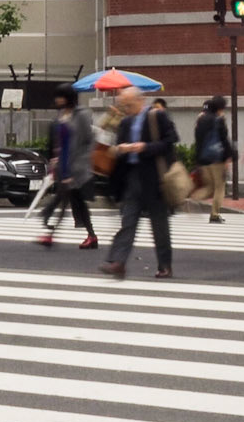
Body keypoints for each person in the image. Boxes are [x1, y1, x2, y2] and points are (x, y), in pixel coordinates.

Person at [100, 86, 178, 280]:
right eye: (123, 105)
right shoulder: (125, 122)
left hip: (154, 178)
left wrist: (145, 147)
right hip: (132, 178)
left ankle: (164, 265)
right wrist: (119, 150)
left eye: (128, 104)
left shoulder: (156, 116)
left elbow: (171, 140)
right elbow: (118, 145)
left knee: (159, 225)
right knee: (128, 221)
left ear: (139, 101)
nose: (125, 108)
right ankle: (118, 262)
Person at [37, 85, 97, 247]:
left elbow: (88, 142)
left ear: (69, 97)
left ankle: (50, 232)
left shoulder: (82, 115)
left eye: (61, 96)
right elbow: (58, 142)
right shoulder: (60, 116)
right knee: (76, 202)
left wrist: (77, 167)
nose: (57, 100)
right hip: (62, 163)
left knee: (64, 199)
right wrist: (54, 160)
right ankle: (91, 236)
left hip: (76, 166)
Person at [190, 94, 232, 220]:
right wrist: (228, 156)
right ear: (221, 108)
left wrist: (198, 159)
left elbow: (198, 140)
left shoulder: (201, 120)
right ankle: (214, 214)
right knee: (219, 187)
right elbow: (224, 140)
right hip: (217, 158)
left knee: (209, 187)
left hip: (204, 158)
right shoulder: (218, 120)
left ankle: (192, 200)